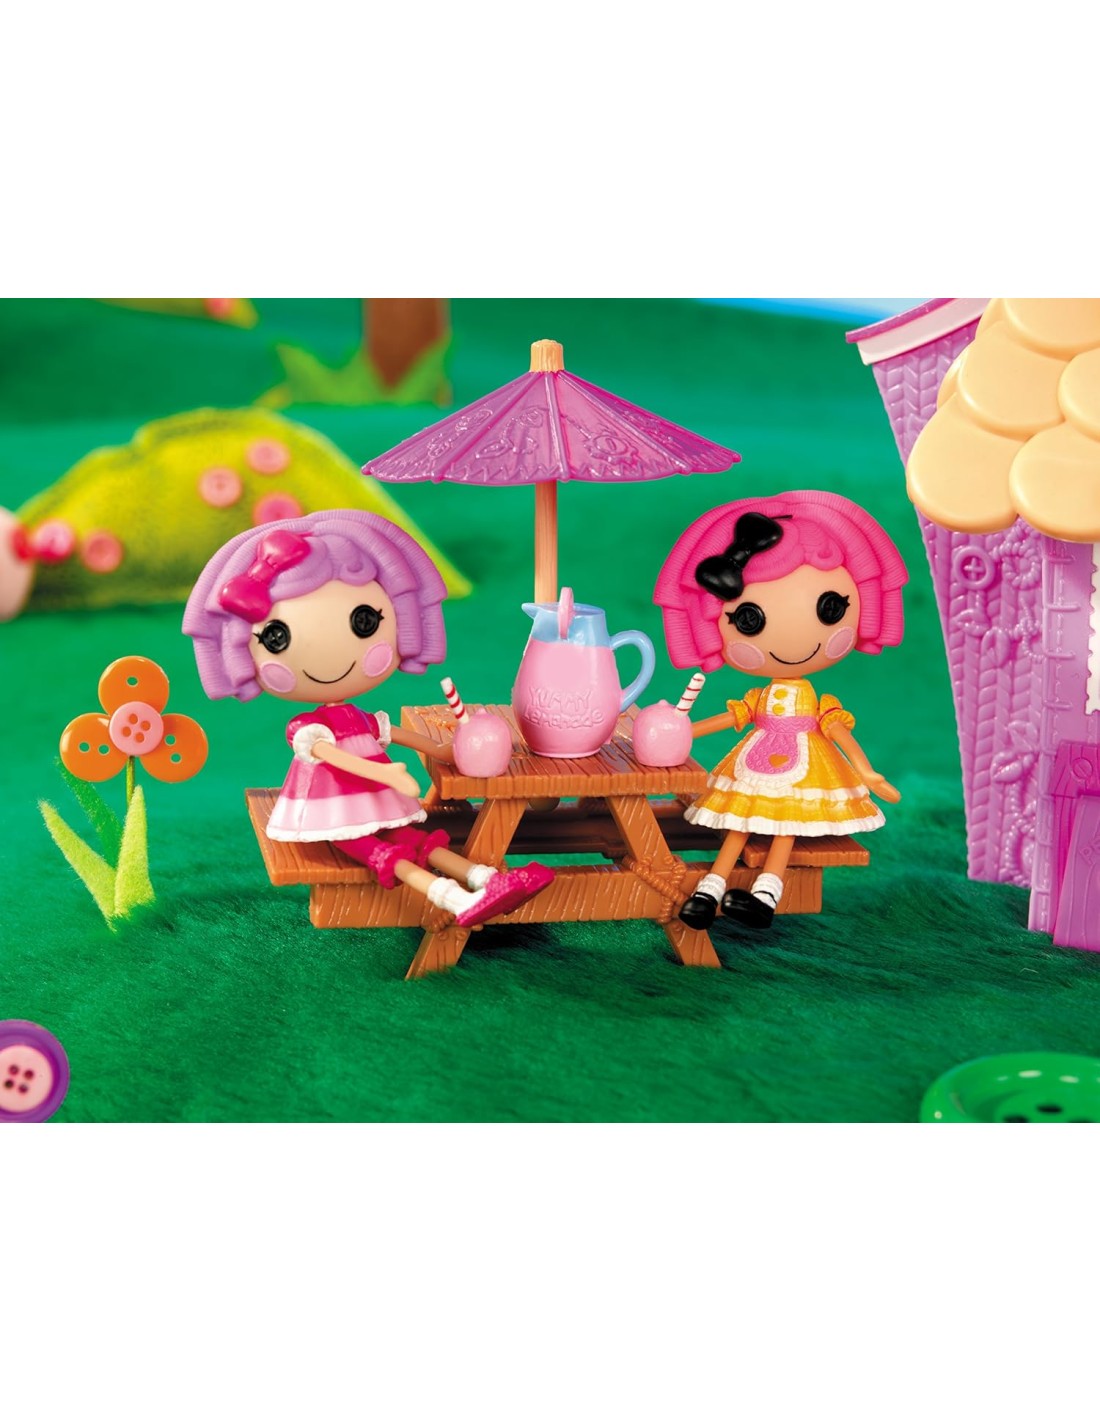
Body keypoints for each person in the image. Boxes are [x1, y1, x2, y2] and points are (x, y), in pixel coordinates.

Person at [184, 510, 552, 928]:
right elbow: (329, 755)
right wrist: (385, 774)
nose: (329, 657)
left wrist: (441, 749)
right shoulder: (305, 728)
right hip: (333, 813)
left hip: (378, 800)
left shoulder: (357, 718)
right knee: (392, 856)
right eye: (276, 638)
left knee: (417, 841)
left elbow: (390, 732)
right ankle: (452, 899)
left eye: (365, 622)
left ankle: (487, 879)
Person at [653, 490, 907, 931]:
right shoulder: (759, 699)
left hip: (805, 771)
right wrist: (682, 732)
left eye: (831, 609)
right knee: (739, 826)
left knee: (786, 826)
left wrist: (865, 771)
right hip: (754, 768)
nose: (795, 640)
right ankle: (708, 891)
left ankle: (765, 896)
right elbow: (732, 718)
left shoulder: (819, 704)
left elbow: (836, 729)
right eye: (748, 620)